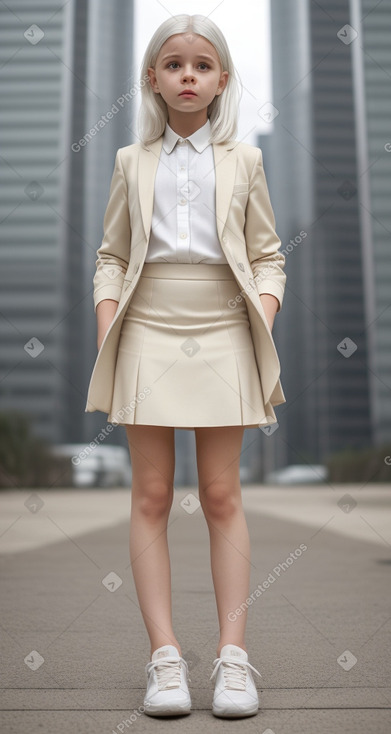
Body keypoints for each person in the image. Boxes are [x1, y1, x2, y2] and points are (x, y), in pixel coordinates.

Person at [85, 13, 287, 719]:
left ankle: (233, 660)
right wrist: (110, 326)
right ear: (152, 78)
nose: (188, 76)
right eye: (174, 64)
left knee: (222, 494)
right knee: (150, 496)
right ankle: (164, 660)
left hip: (225, 326)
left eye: (202, 65)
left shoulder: (246, 161)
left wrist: (258, 320)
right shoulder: (128, 161)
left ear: (221, 79)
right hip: (145, 327)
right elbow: (111, 257)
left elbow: (267, 254)